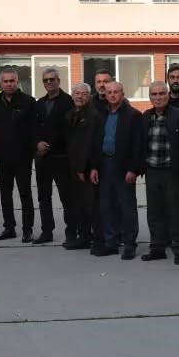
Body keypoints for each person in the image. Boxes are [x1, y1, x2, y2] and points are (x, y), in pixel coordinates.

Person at [88, 81, 144, 259]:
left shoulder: (133, 115)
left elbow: (137, 145)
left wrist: (133, 169)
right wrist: (94, 167)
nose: (112, 95)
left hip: (123, 167)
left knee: (126, 207)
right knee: (107, 206)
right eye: (109, 92)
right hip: (104, 164)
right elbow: (96, 142)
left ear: (123, 93)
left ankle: (129, 244)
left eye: (116, 92)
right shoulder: (101, 114)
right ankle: (111, 243)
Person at [139, 81, 179, 265]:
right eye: (154, 94)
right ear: (150, 97)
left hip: (172, 172)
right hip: (152, 171)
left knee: (176, 212)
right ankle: (157, 248)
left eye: (162, 93)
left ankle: (178, 250)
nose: (158, 97)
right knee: (154, 212)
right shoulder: (146, 116)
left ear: (168, 95)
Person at [0, 68, 36, 241]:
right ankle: (9, 228)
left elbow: (35, 128)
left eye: (12, 81)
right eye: (5, 81)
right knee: (5, 194)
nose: (9, 84)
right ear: (1, 83)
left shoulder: (28, 101)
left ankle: (27, 230)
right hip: (3, 156)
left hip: (23, 157)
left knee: (25, 193)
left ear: (17, 81)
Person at [32, 67, 75, 245]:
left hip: (61, 157)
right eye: (46, 80)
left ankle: (71, 232)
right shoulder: (39, 103)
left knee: (67, 197)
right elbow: (33, 128)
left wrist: (48, 144)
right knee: (44, 197)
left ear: (58, 81)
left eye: (52, 79)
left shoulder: (69, 101)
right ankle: (46, 231)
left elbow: (69, 130)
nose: (49, 82)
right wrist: (37, 143)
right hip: (42, 159)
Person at [64, 83, 101, 252]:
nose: (80, 96)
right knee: (78, 204)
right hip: (72, 166)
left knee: (91, 205)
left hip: (86, 168)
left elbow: (91, 144)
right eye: (77, 93)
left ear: (89, 96)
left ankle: (97, 239)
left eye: (84, 94)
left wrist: (83, 168)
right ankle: (83, 236)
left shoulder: (93, 115)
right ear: (72, 95)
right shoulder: (70, 114)